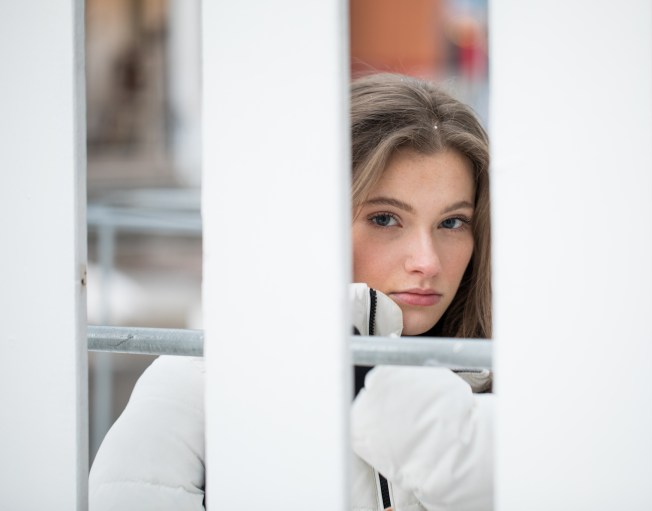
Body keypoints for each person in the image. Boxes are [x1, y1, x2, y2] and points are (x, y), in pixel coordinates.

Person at [89, 73, 494, 511]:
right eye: (384, 219)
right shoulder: (198, 386)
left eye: (452, 223)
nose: (427, 261)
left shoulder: (513, 388)